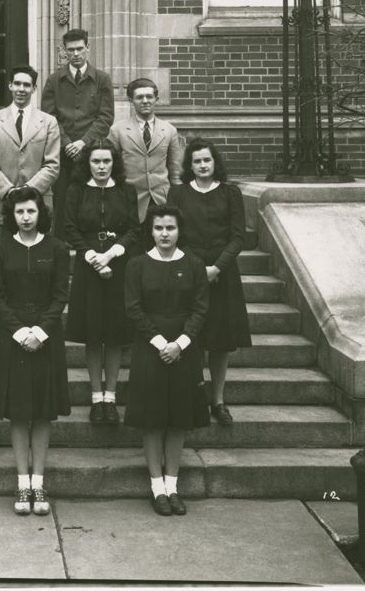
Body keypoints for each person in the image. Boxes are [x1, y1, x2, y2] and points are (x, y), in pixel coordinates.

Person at [0, 186, 71, 516]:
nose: (25, 217)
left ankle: (39, 481)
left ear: (41, 213)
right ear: (12, 215)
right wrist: (20, 331)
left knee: (43, 411)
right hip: (13, 336)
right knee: (20, 411)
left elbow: (60, 295)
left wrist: (40, 331)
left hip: (46, 336)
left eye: (31, 211)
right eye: (19, 212)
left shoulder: (57, 248)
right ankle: (22, 482)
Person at [124, 205, 209, 516]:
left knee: (178, 420)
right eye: (158, 228)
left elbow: (200, 308)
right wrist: (161, 343)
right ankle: (157, 488)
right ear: (151, 230)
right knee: (152, 419)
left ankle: (173, 486)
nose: (164, 234)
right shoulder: (137, 265)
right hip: (151, 348)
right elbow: (133, 308)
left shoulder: (194, 264)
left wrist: (181, 344)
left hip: (184, 350)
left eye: (170, 228)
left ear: (179, 231)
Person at [167, 139, 251, 426]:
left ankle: (218, 400)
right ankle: (194, 397)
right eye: (197, 161)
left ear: (215, 163)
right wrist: (196, 268)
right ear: (189, 166)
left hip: (223, 274)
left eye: (207, 160)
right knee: (191, 337)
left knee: (220, 341)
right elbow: (173, 233)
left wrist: (216, 268)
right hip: (187, 274)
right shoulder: (178, 193)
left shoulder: (230, 193)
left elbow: (238, 236)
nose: (203, 166)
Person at [63, 139, 139, 425]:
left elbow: (134, 228)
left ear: (114, 163)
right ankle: (97, 398)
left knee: (116, 334)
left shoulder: (126, 190)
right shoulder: (77, 191)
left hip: (120, 266)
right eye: (96, 161)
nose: (101, 167)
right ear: (87, 164)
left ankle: (111, 397)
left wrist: (113, 253)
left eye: (107, 161)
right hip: (88, 266)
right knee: (94, 334)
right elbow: (69, 227)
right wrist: (93, 256)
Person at [40, 29, 115, 239]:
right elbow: (49, 116)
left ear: (88, 48)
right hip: (62, 153)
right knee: (62, 199)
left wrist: (83, 143)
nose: (75, 54)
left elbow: (106, 117)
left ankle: (90, 242)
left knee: (91, 198)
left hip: (92, 152)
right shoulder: (54, 80)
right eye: (71, 50)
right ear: (64, 51)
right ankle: (63, 246)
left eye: (80, 48)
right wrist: (67, 143)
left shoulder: (102, 79)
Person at [0, 65, 61, 207]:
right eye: (17, 84)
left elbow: (52, 165)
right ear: (10, 86)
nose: (21, 89)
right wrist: (9, 191)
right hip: (2, 201)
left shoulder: (48, 122)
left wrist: (27, 190)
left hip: (38, 201)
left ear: (34, 89)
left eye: (26, 85)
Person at [108, 77, 183, 223]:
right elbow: (112, 168)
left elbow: (175, 169)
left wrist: (177, 200)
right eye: (139, 97)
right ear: (131, 101)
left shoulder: (169, 130)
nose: (145, 101)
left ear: (156, 99)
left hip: (162, 199)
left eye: (149, 96)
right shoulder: (118, 130)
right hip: (130, 200)